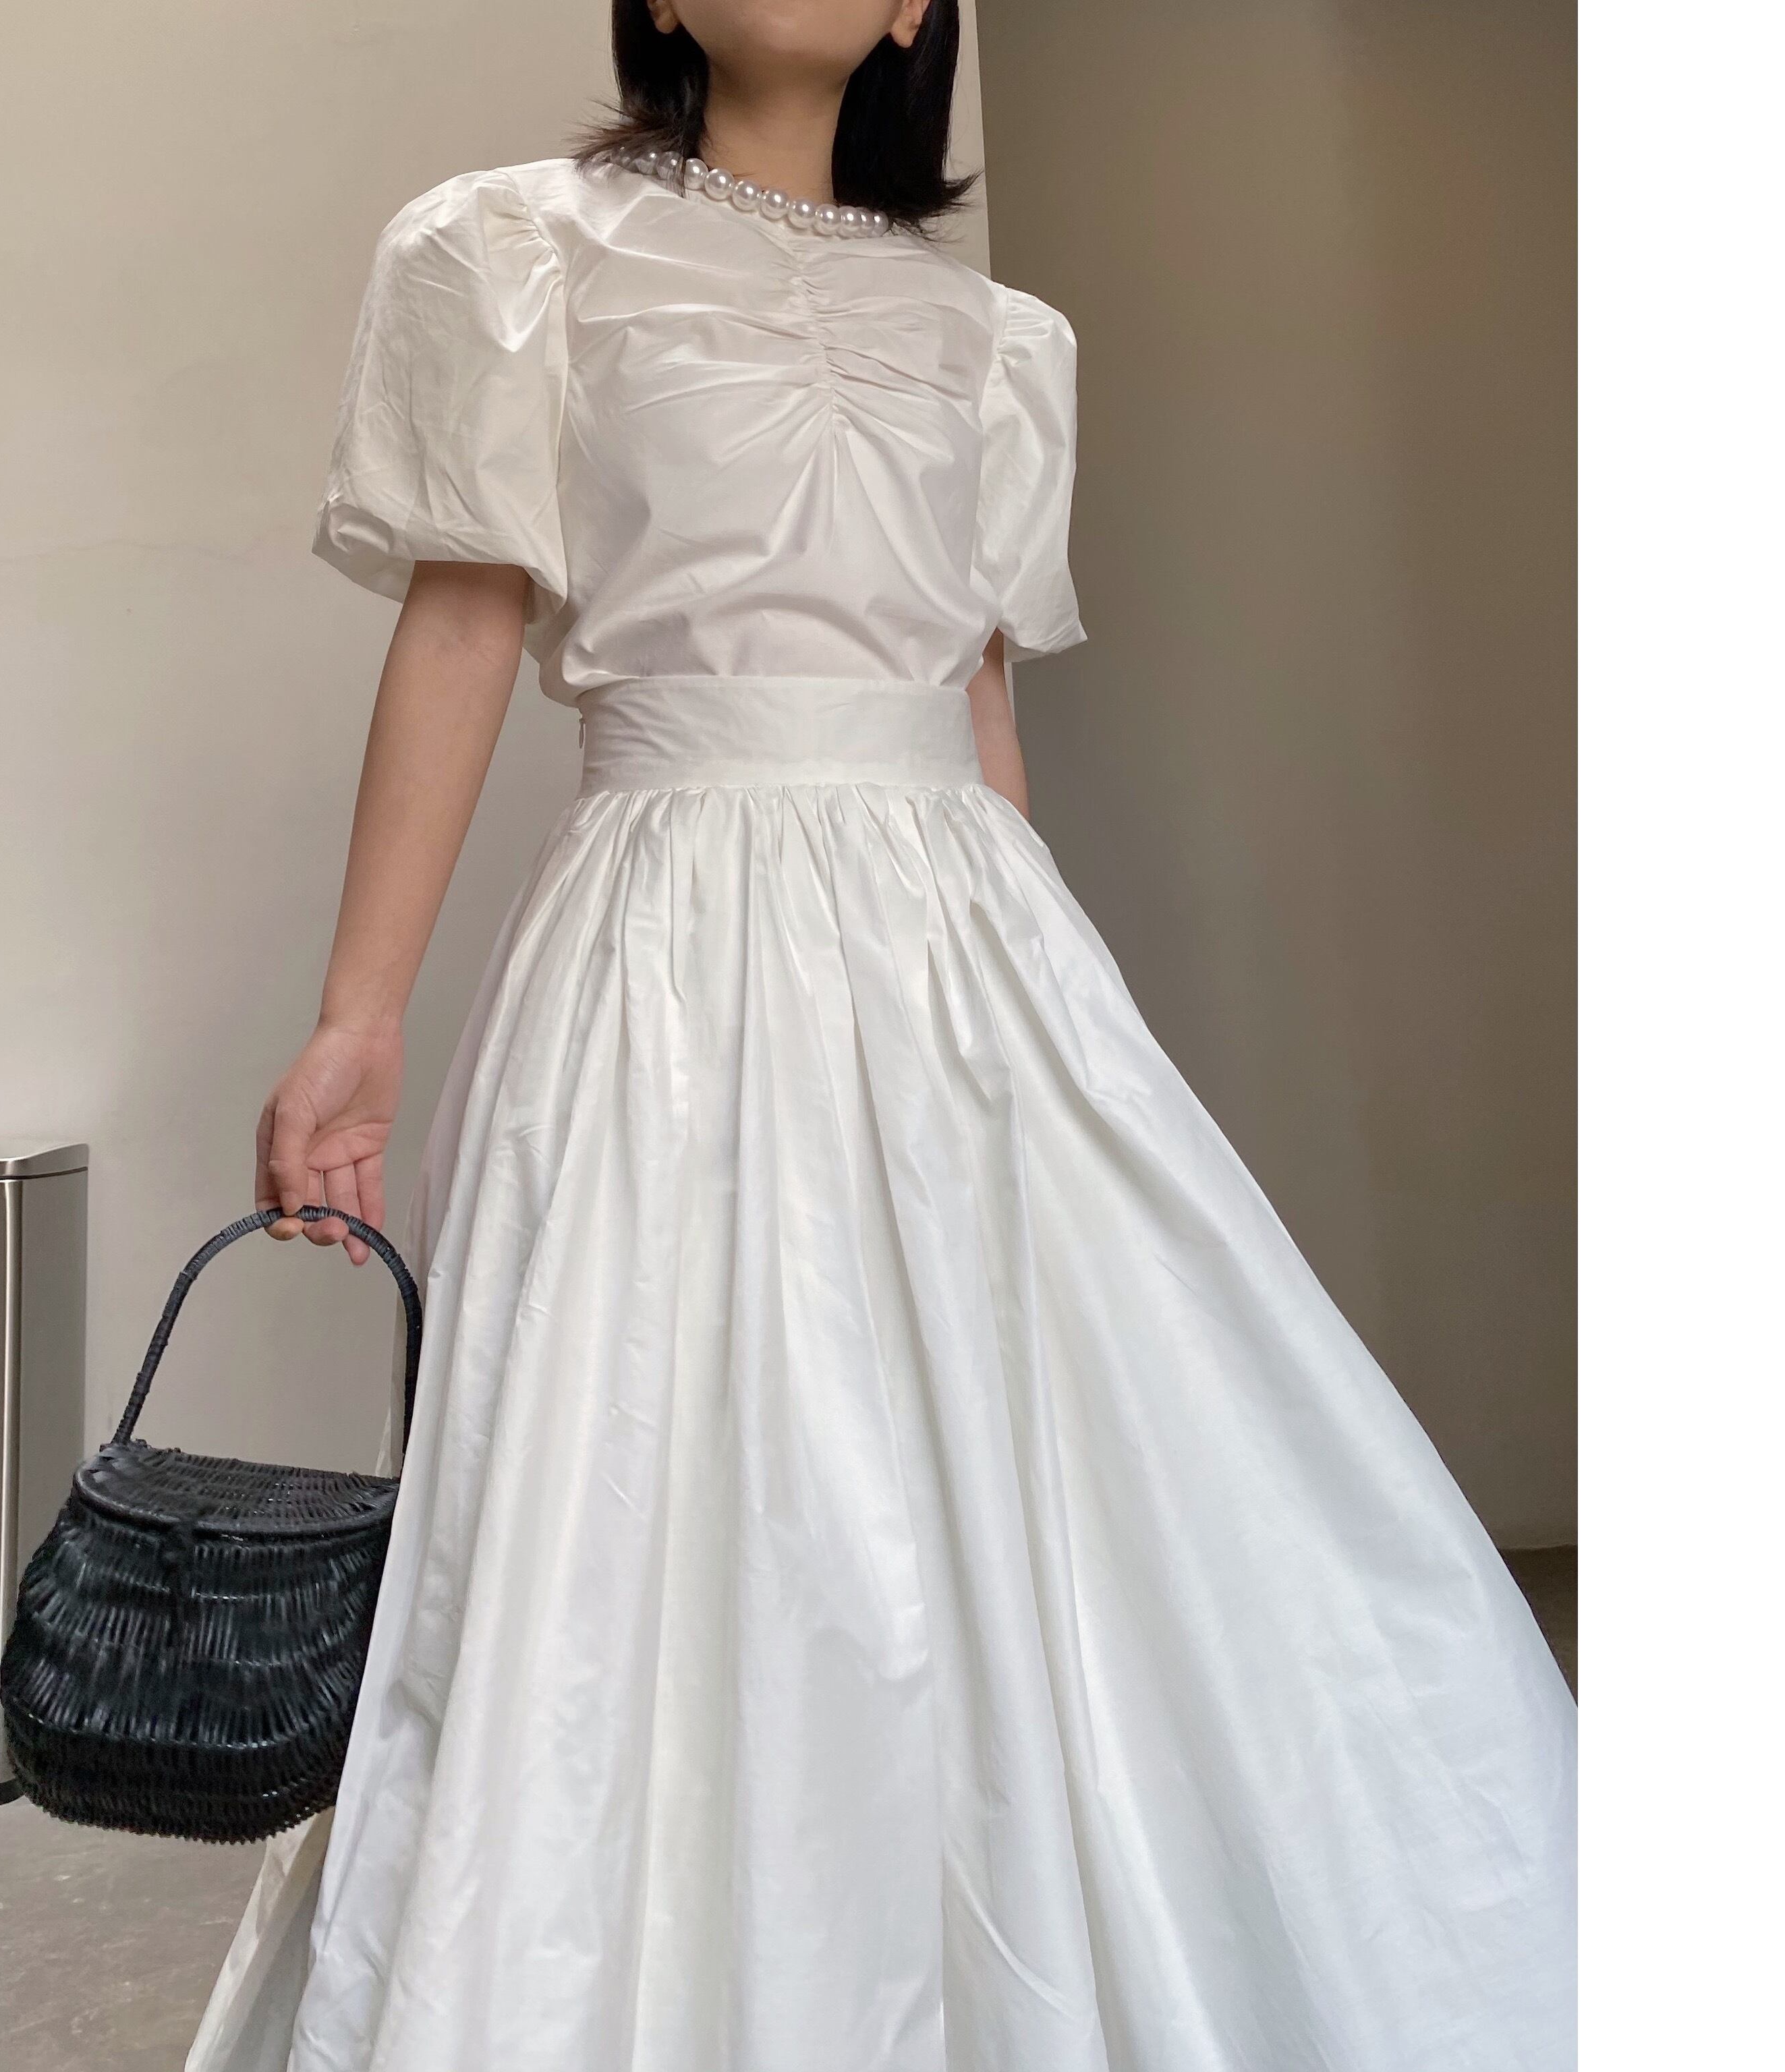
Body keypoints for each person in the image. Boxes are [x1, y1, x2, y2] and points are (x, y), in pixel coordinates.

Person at [188, 3, 1577, 2067]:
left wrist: (1062, 1018)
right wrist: (356, 1020)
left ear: (923, 10)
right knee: (654, 1479)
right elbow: (467, 620)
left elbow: (979, 702)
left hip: (963, 953)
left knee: (1067, 1464)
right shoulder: (509, 249)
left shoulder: (1000, 343)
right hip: (669, 960)